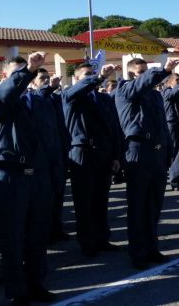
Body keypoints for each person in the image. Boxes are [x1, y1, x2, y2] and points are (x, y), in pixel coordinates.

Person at [0, 52, 57, 303]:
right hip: (11, 175)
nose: (24, 76)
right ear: (4, 76)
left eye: (26, 72)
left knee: (37, 234)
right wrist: (28, 69)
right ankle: (17, 292)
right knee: (12, 237)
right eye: (17, 72)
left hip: (37, 174)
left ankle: (36, 283)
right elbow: (7, 92)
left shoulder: (35, 101)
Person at [115, 57, 179, 270]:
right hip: (138, 152)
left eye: (146, 71)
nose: (144, 75)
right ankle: (138, 252)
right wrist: (164, 69)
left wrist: (169, 151)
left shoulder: (155, 95)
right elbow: (140, 84)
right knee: (138, 206)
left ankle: (152, 247)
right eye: (141, 71)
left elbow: (162, 124)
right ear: (132, 74)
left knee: (154, 206)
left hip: (157, 153)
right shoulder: (125, 90)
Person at [63, 63, 123, 258]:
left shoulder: (104, 98)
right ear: (77, 79)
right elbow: (78, 91)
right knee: (84, 201)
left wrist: (115, 155)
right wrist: (97, 78)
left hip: (103, 152)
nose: (91, 78)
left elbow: (113, 127)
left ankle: (102, 239)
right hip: (82, 153)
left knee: (100, 200)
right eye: (86, 75)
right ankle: (87, 243)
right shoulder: (71, 96)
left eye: (92, 74)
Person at [32, 69, 71, 243]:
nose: (47, 81)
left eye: (48, 78)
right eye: (42, 79)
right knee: (42, 199)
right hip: (41, 157)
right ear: (32, 83)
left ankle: (56, 228)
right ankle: (43, 232)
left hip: (58, 154)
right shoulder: (31, 100)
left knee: (58, 195)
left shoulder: (56, 99)